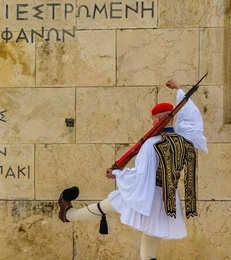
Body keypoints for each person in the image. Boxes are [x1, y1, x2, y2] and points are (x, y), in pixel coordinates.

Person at [57, 79, 208, 260]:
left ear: (157, 119)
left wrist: (118, 174)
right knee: (148, 248)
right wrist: (179, 89)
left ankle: (68, 215)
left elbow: (141, 175)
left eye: (153, 119)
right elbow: (190, 117)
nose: (152, 122)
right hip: (167, 199)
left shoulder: (151, 145)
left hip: (147, 194)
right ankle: (69, 214)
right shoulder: (184, 141)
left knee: (111, 203)